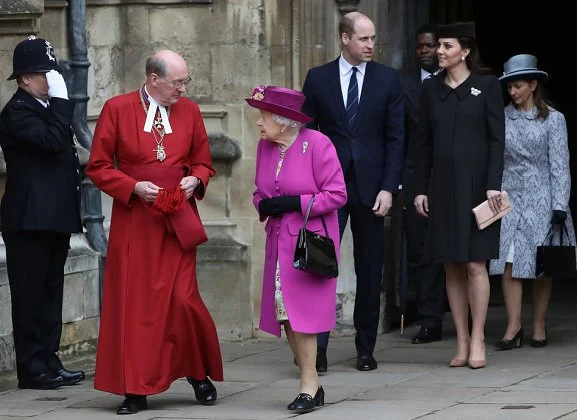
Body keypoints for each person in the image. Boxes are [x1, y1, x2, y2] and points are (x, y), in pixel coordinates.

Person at [86, 50, 223, 415]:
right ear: (153, 79)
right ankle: (136, 387)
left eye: (185, 81)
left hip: (178, 217)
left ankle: (197, 372)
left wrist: (197, 177)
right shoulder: (117, 109)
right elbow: (98, 166)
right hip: (136, 221)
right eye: (177, 82)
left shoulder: (190, 111)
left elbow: (203, 160)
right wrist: (131, 187)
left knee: (183, 301)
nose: (183, 88)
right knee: (137, 308)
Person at [301, 10, 405, 372]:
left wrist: (389, 188)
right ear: (345, 38)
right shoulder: (317, 79)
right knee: (321, 267)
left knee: (370, 268)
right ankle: (319, 350)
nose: (371, 45)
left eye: (373, 38)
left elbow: (396, 139)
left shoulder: (387, 80)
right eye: (364, 38)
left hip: (372, 189)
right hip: (328, 190)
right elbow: (306, 137)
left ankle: (365, 348)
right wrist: (309, 186)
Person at [248, 85, 346, 412]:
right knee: (285, 315)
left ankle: (309, 384)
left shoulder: (317, 144)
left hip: (307, 245)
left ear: (286, 121)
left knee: (300, 315)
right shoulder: (265, 148)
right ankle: (310, 379)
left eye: (263, 117)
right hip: (278, 243)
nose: (259, 124)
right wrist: (266, 206)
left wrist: (295, 202)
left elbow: (336, 194)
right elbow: (259, 194)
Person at [413, 22, 505, 369]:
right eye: (439, 45)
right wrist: (421, 188)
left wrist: (493, 183)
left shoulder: (487, 86)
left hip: (479, 186)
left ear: (464, 51)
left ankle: (479, 336)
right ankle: (462, 340)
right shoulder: (430, 89)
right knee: (450, 264)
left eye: (447, 46)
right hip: (442, 187)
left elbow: (498, 138)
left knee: (474, 263)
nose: (439, 51)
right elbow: (421, 143)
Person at [0, 35, 85, 390]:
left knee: (51, 296)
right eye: (44, 74)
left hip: (53, 219)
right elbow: (51, 144)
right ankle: (32, 368)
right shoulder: (17, 112)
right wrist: (64, 103)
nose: (51, 80)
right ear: (25, 79)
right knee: (30, 297)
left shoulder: (47, 110)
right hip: (29, 221)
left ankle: (49, 359)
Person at [490, 54, 577, 350]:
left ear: (532, 85)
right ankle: (514, 326)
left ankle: (539, 324)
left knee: (543, 263)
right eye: (509, 88)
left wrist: (560, 204)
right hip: (509, 197)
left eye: (517, 86)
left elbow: (560, 164)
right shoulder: (502, 117)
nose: (513, 92)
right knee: (508, 261)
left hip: (543, 197)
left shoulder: (554, 119)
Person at [399, 23, 446, 344]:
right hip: (415, 179)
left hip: (451, 179)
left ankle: (462, 316)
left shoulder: (457, 83)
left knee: (457, 253)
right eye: (421, 46)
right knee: (420, 252)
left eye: (430, 45)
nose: (426, 51)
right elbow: (397, 136)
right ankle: (430, 319)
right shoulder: (404, 86)